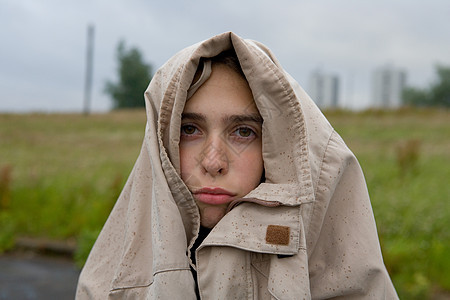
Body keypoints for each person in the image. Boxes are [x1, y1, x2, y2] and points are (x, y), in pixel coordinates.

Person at [76, 32, 398, 299]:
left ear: (275, 145)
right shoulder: (108, 284)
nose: (213, 162)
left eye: (243, 132)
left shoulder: (333, 261)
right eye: (190, 129)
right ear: (163, 141)